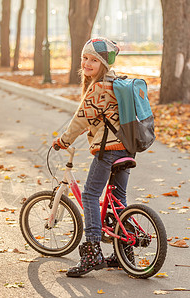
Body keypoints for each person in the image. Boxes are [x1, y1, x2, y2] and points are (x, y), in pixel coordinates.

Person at [52, 37, 132, 277]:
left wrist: (63, 141)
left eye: (93, 60)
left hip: (108, 150)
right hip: (127, 148)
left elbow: (79, 121)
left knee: (89, 194)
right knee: (119, 201)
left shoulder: (98, 88)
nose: (86, 63)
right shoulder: (118, 83)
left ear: (103, 64)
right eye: (84, 58)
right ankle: (124, 252)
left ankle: (92, 251)